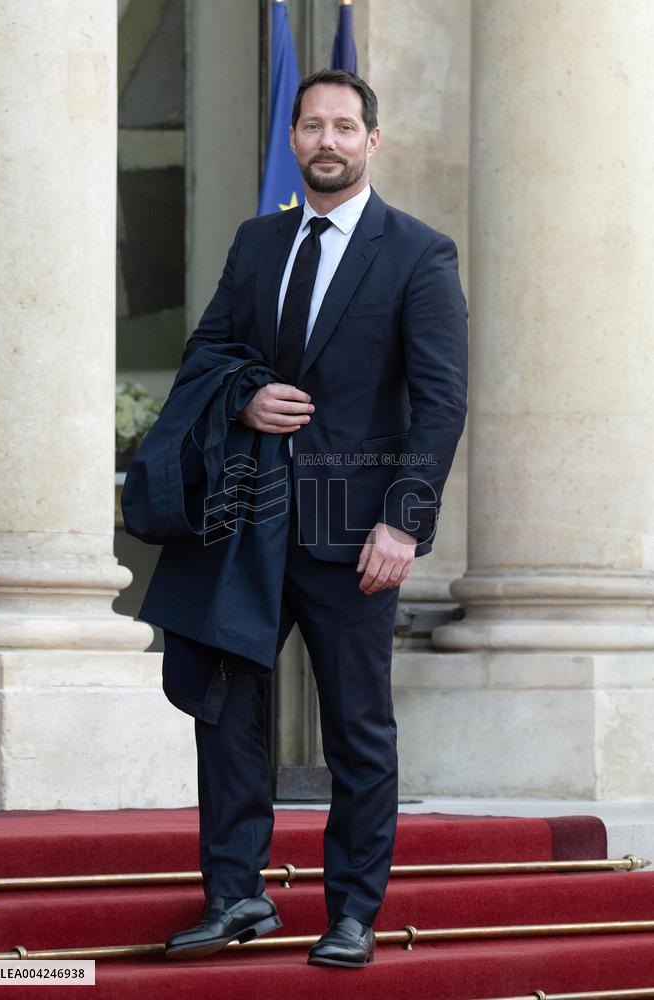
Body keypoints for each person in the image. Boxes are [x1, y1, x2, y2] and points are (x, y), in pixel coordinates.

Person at [162, 68, 468, 968]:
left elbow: (440, 403)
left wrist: (404, 523)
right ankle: (235, 895)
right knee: (225, 714)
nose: (326, 141)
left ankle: (352, 914)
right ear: (292, 138)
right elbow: (206, 352)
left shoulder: (419, 252)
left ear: (372, 140)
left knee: (357, 730)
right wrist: (247, 396)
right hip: (245, 529)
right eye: (311, 126)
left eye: (343, 126)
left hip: (355, 534)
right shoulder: (257, 242)